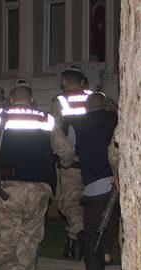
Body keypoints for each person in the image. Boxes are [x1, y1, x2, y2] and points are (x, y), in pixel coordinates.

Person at [0, 81, 74, 270]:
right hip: (40, 189)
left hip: (9, 188)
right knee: (29, 241)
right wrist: (66, 164)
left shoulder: (0, 116)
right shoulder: (47, 118)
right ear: (32, 100)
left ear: (11, 100)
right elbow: (65, 150)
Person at [67, 92, 120, 270]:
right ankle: (108, 251)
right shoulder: (116, 119)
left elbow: (68, 153)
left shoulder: (76, 125)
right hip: (122, 185)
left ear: (86, 108)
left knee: (92, 243)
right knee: (114, 227)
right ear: (106, 106)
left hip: (95, 188)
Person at [50, 68, 92, 260]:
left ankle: (83, 235)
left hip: (72, 162)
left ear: (65, 81)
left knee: (68, 203)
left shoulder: (61, 102)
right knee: (86, 204)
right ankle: (70, 243)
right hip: (95, 162)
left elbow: (56, 134)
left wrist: (65, 160)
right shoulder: (97, 98)